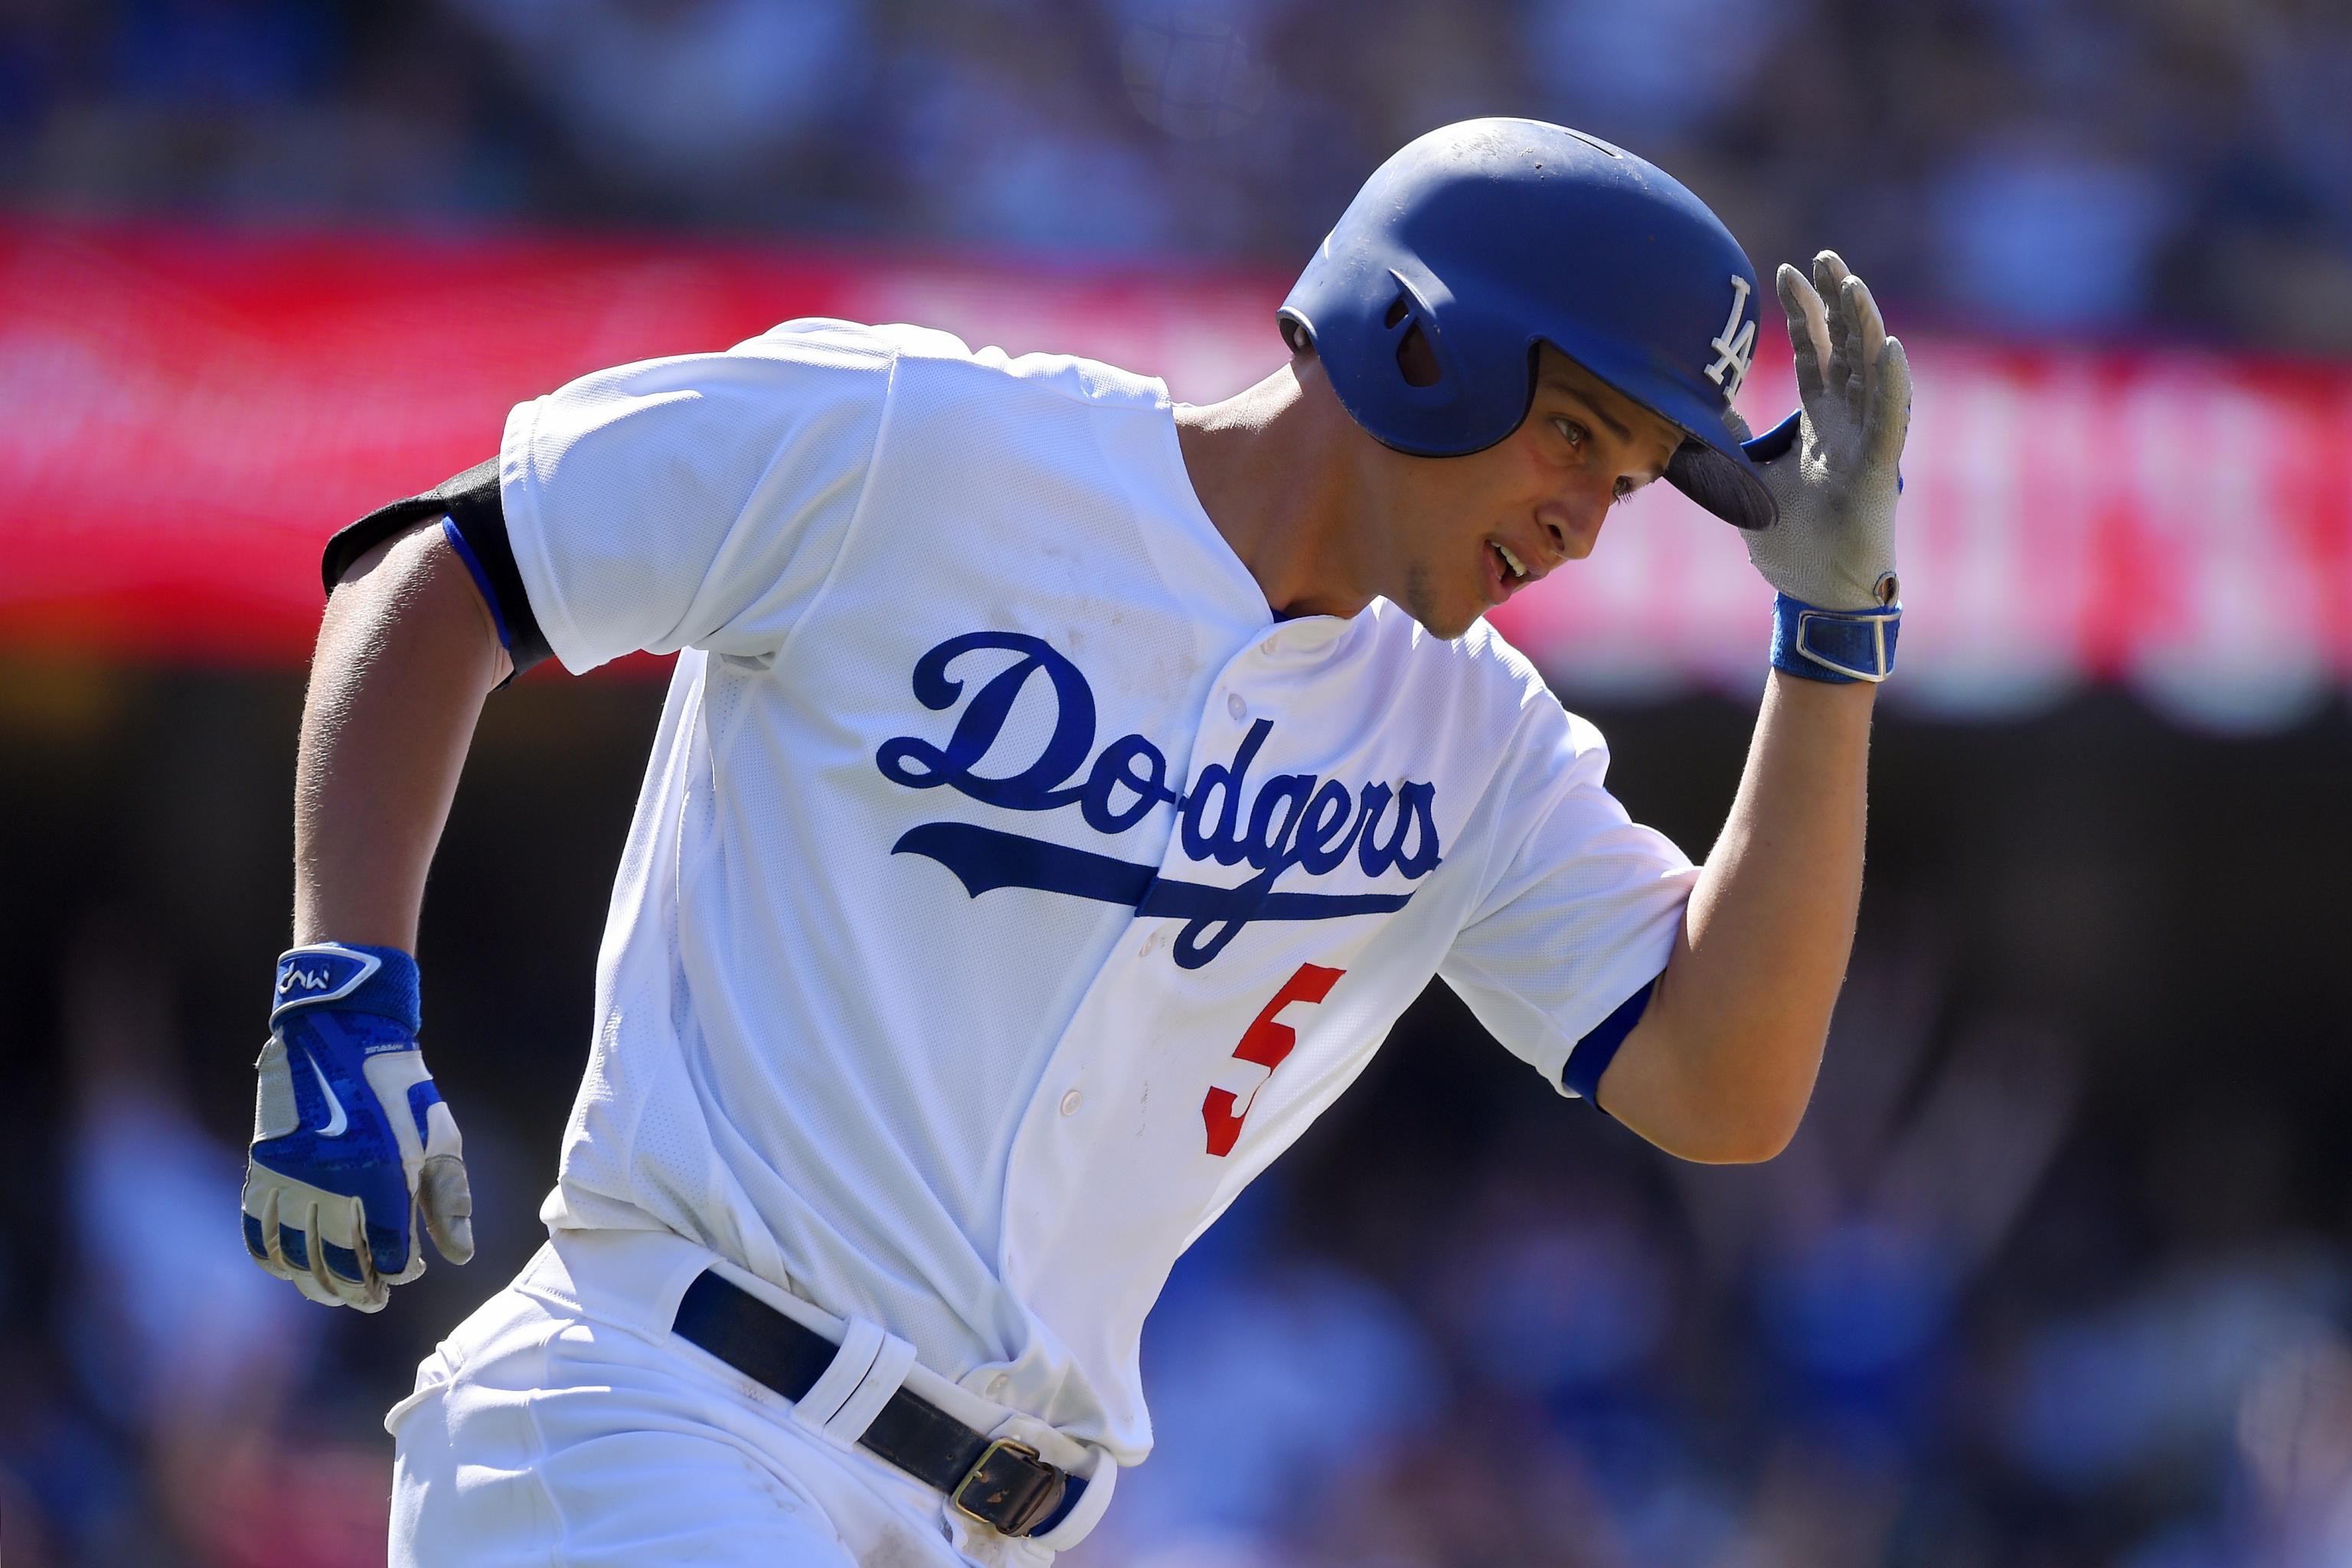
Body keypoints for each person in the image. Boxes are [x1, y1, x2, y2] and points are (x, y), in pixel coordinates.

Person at [239, 119, 1910, 1566]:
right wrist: (343, 981)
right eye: (1573, 435)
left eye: (1625, 482)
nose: (1582, 517)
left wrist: (1833, 644)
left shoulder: (1477, 738)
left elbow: (1722, 1084)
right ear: (1417, 338)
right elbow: (451, 565)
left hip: (983, 1519)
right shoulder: (931, 445)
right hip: (658, 1423)